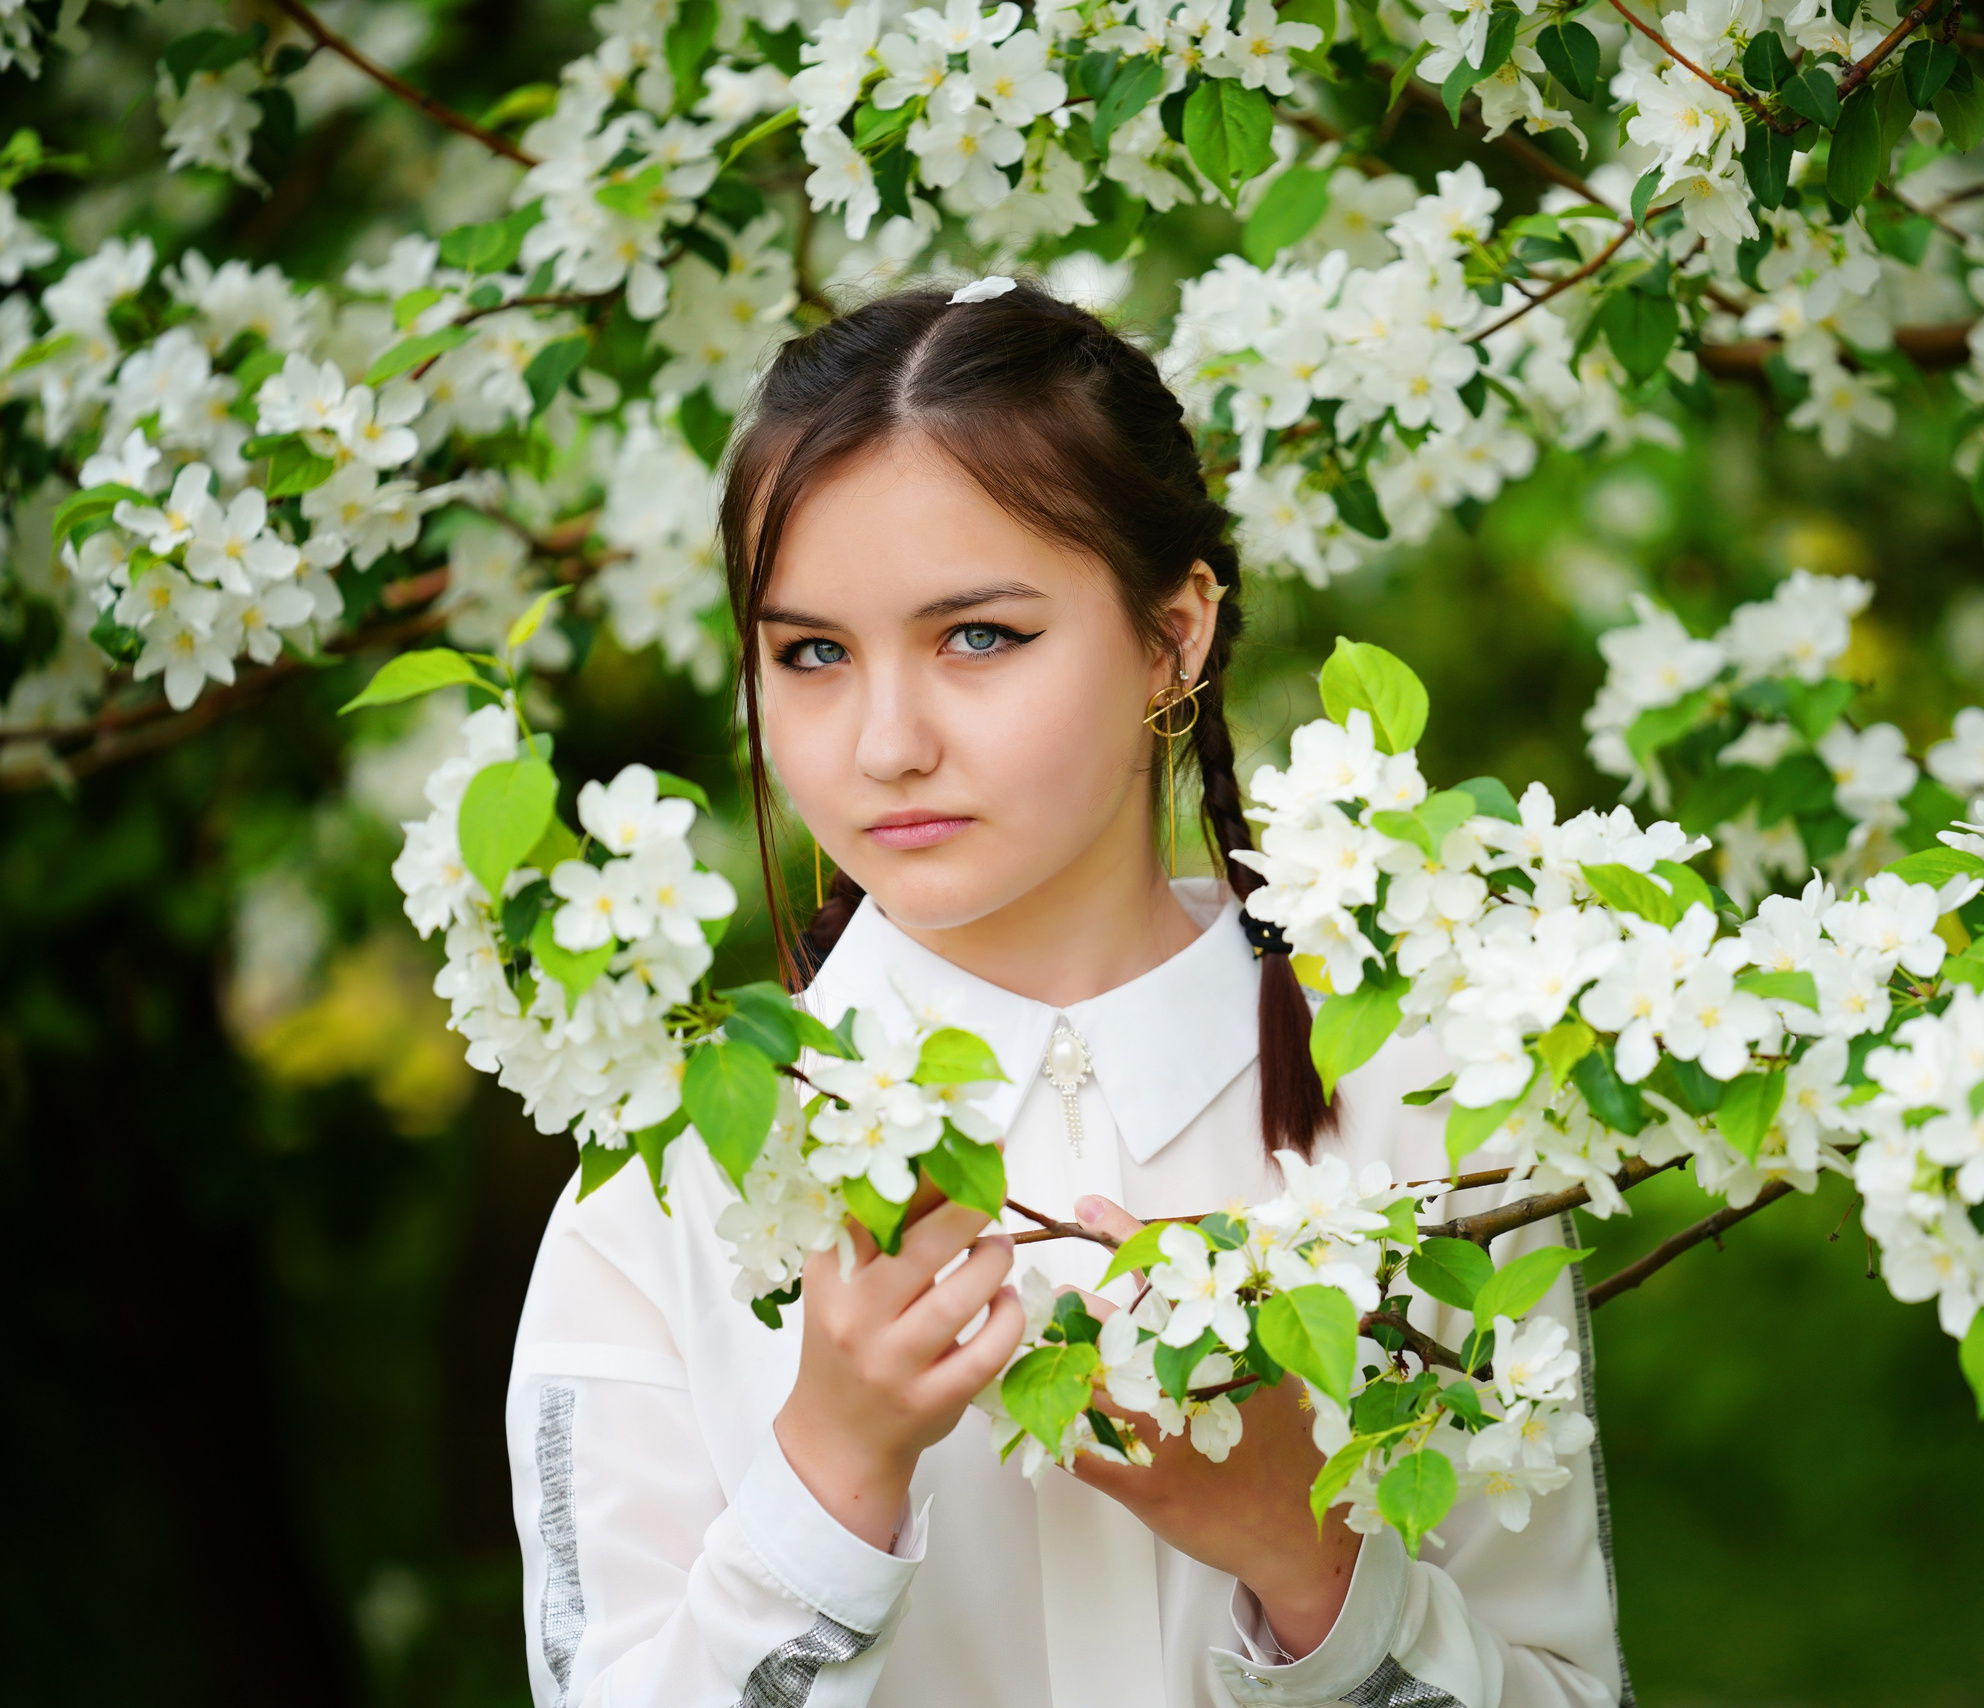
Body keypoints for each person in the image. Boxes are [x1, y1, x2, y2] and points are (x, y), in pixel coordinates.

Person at [503, 276, 1627, 1708]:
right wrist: (833, 1472)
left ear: (1176, 635)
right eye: (811, 655)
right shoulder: (665, 1195)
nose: (887, 742)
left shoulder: (1429, 1111)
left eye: (979, 636)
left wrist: (1317, 1572)